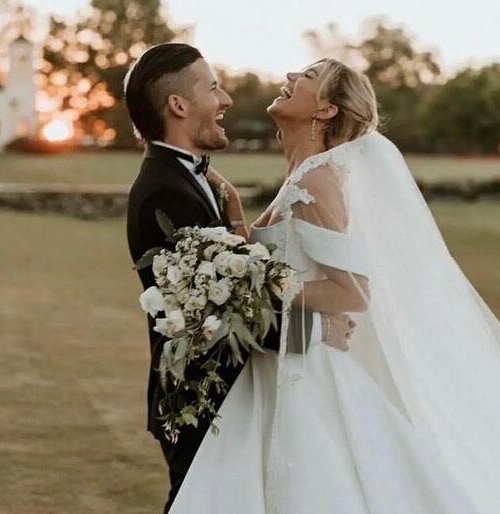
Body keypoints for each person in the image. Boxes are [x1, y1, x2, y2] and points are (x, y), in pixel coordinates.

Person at [168, 58, 500, 513]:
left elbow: (352, 292)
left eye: (307, 76)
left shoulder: (318, 180)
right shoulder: (300, 178)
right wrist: (232, 208)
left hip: (310, 372)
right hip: (283, 359)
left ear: (327, 109)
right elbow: (272, 255)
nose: (290, 76)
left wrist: (261, 290)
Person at [124, 44, 355, 514]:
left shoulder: (192, 180)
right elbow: (218, 311)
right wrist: (319, 328)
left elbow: (235, 282)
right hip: (201, 399)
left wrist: (234, 222)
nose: (226, 99)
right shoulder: (165, 193)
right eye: (213, 88)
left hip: (235, 395)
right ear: (179, 106)